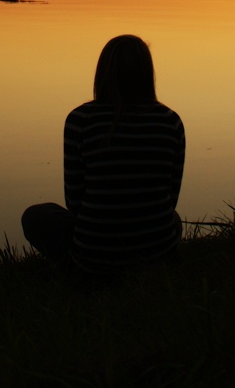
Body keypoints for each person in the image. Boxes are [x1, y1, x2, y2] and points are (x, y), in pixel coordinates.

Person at [22, 34, 185, 272]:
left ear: (103, 72)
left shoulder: (80, 120)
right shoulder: (171, 122)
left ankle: (75, 265)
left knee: (35, 216)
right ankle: (150, 257)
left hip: (92, 260)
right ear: (147, 73)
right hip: (158, 255)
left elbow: (74, 202)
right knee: (175, 220)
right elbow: (171, 199)